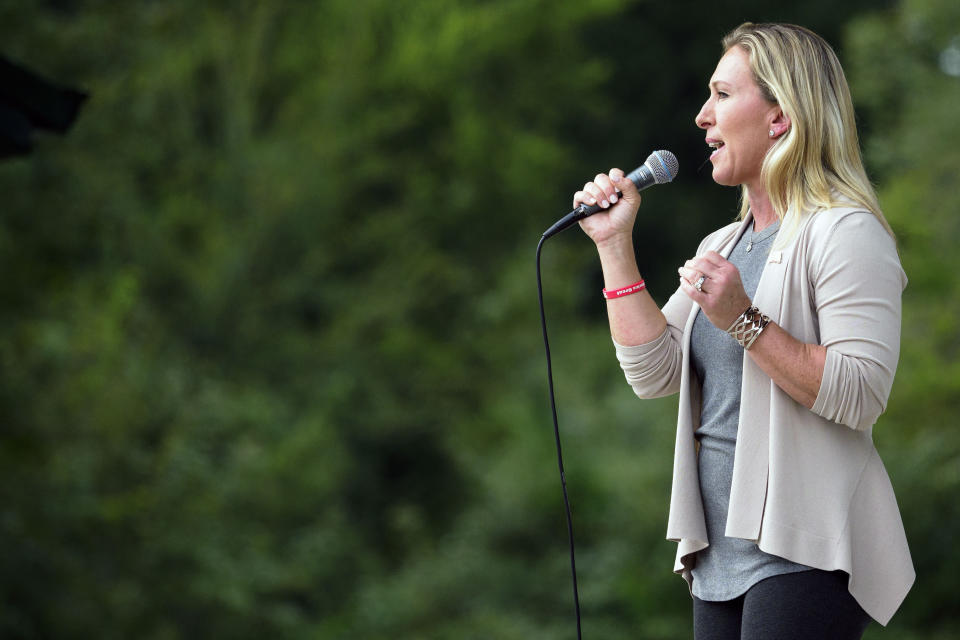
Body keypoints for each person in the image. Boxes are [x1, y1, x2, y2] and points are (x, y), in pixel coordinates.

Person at [572, 22, 914, 640]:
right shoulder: (724, 243)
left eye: (723, 96)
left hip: (805, 552)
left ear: (780, 116)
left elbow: (862, 393)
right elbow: (655, 374)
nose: (703, 117)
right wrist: (615, 244)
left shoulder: (845, 231)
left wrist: (744, 321)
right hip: (719, 562)